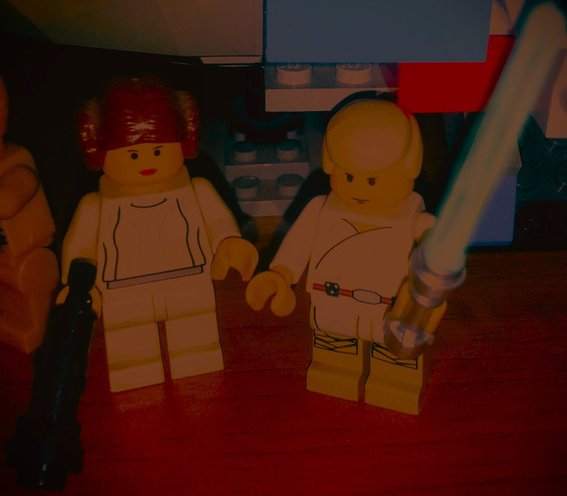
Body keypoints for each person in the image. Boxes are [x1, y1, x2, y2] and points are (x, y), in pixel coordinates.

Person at [246, 99, 444, 414]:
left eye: (372, 180)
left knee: (393, 356)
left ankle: (398, 381)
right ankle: (335, 371)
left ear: (410, 167)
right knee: (335, 353)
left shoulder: (416, 220)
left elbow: (438, 255)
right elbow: (297, 246)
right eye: (349, 176)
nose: (359, 189)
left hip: (390, 310)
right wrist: (281, 274)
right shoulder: (320, 208)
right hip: (332, 301)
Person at [61, 76, 258, 392]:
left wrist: (227, 243)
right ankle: (134, 367)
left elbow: (219, 223)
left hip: (189, 281)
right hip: (123, 291)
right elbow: (80, 249)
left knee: (196, 341)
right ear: (98, 152)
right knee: (131, 346)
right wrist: (79, 287)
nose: (147, 162)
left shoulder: (197, 189)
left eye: (157, 150)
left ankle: (197, 357)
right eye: (133, 154)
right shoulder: (95, 206)